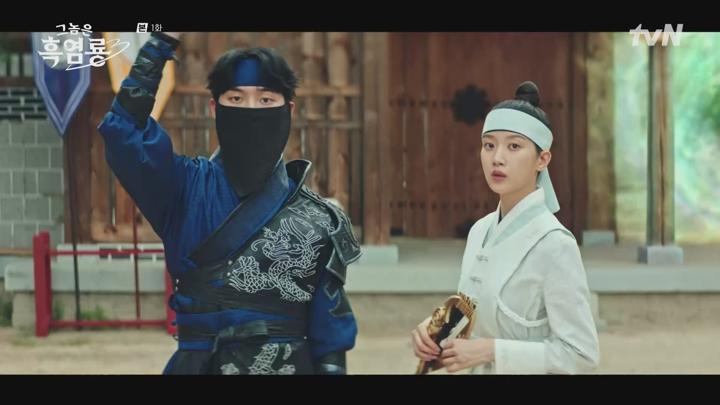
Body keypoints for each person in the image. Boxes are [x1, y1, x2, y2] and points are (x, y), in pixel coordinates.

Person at [97, 32, 361, 375]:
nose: (251, 110)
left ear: (288, 110)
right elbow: (123, 134)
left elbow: (331, 343)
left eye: (266, 100)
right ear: (214, 108)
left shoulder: (318, 219)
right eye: (236, 99)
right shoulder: (183, 190)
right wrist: (159, 45)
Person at [411, 81, 599, 374]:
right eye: (489, 145)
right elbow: (470, 309)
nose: (497, 158)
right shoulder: (480, 230)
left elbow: (582, 355)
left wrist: (491, 351)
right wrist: (435, 329)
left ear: (542, 159)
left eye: (514, 146)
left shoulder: (555, 244)